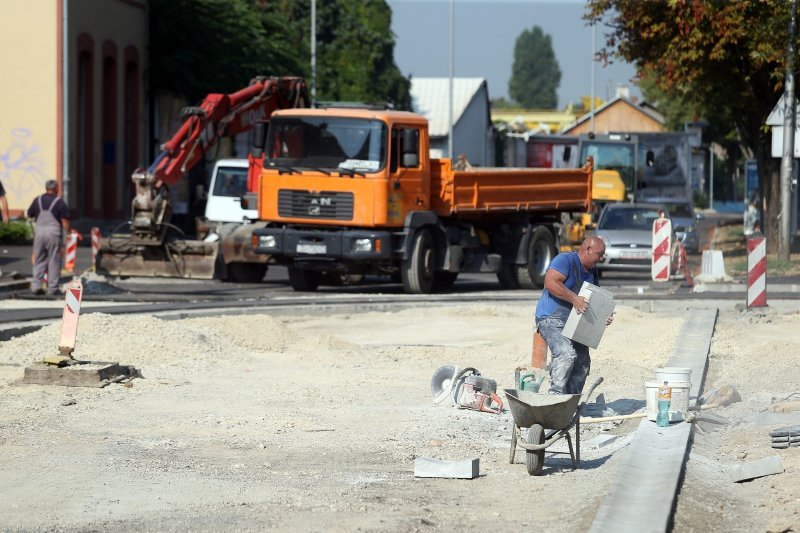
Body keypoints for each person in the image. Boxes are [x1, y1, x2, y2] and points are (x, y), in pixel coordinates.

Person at [534, 236, 613, 395]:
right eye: (600, 254)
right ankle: (555, 397)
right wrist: (574, 299)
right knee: (566, 353)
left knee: (582, 362)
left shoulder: (592, 271)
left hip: (574, 321)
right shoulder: (565, 260)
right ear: (588, 249)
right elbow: (550, 283)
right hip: (550, 318)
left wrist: (604, 315)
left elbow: (594, 298)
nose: (602, 258)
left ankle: (570, 401)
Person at [27, 180, 70, 295]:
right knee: (54, 259)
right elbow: (65, 220)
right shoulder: (59, 202)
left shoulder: (38, 200)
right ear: (56, 188)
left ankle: (36, 286)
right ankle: (52, 288)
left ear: (46, 188)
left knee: (39, 258)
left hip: (39, 232)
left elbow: (30, 214)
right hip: (53, 233)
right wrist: (69, 232)